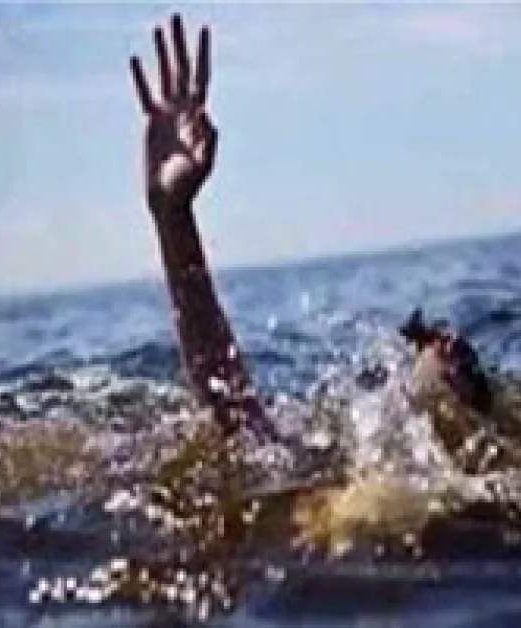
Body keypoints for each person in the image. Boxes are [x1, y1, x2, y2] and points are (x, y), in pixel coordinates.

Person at [129, 15, 499, 462]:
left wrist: (173, 219)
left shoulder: (488, 481)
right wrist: (173, 217)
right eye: (436, 339)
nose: (448, 340)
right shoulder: (343, 463)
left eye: (462, 357)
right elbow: (233, 409)